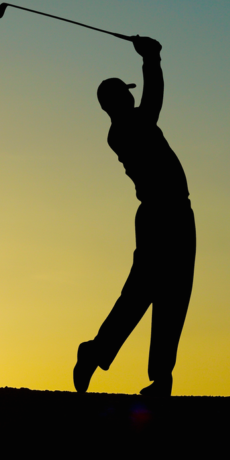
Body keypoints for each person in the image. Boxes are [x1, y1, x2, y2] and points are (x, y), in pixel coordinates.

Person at [73, 36, 196, 397]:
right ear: (118, 100)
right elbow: (154, 98)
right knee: (147, 292)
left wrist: (152, 59)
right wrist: (151, 59)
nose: (131, 96)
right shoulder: (128, 128)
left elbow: (150, 103)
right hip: (163, 216)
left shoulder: (128, 125)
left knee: (172, 294)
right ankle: (99, 352)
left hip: (173, 213)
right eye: (125, 94)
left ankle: (158, 378)